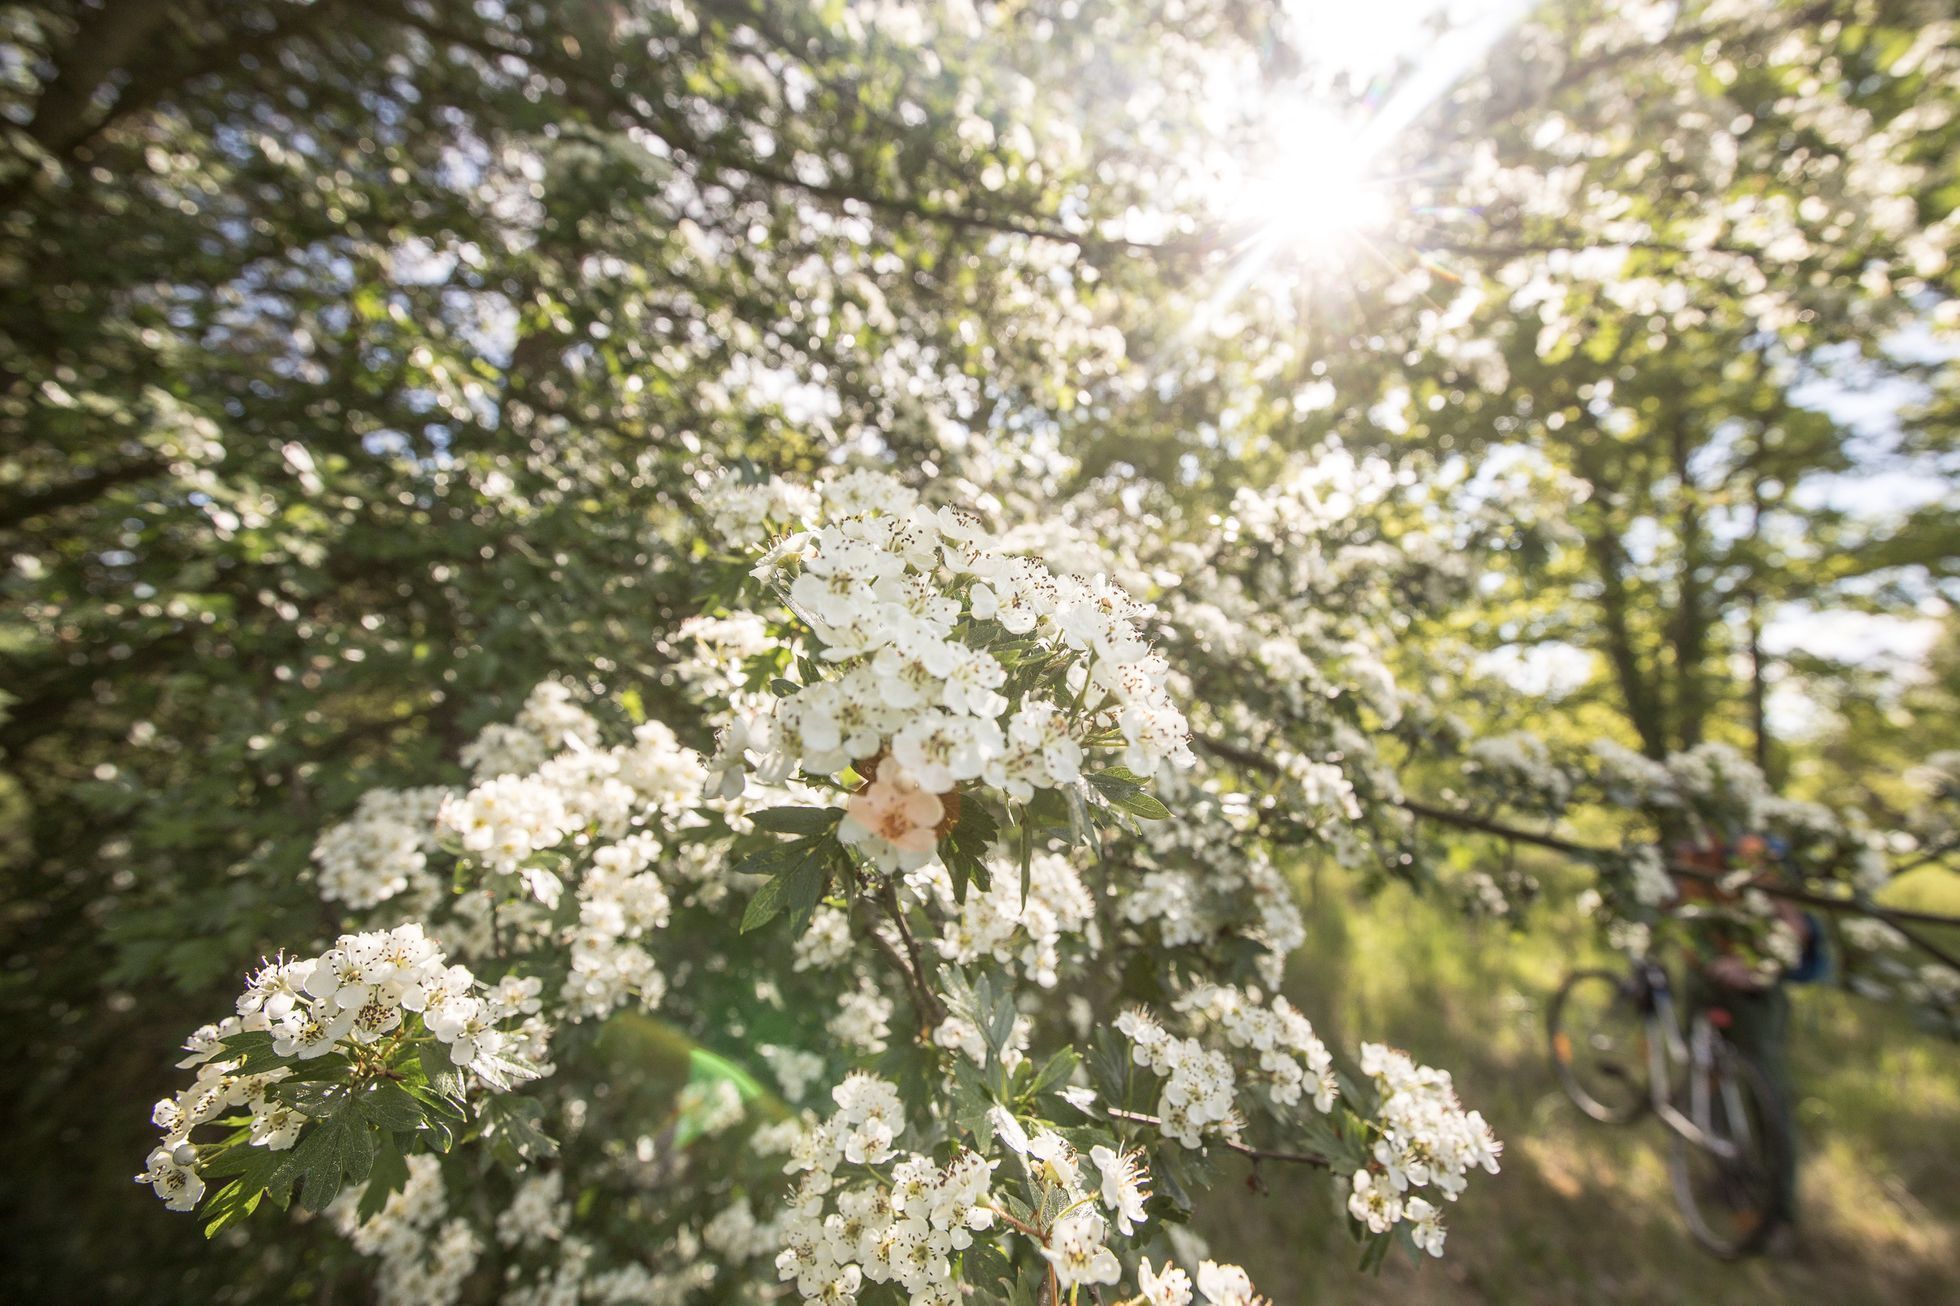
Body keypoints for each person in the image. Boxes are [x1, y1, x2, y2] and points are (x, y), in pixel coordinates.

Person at [1670, 836, 1827, 1240]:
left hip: (1751, 992)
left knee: (1765, 1095)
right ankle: (1729, 1180)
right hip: (1702, 981)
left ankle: (1779, 1214)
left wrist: (1749, 965)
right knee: (1708, 1082)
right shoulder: (1681, 845)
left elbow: (1793, 925)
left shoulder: (1748, 847)